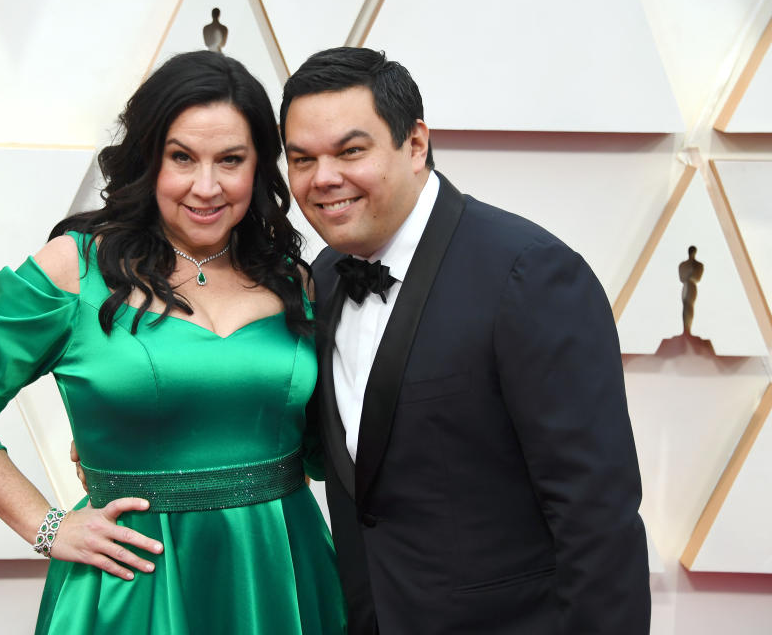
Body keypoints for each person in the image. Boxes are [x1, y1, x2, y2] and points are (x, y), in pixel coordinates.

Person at [0, 50, 346, 635]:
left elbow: (324, 444)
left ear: (260, 168)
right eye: (182, 158)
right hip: (134, 583)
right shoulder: (75, 267)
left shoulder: (295, 279)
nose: (207, 186)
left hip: (280, 573)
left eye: (231, 160)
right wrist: (47, 525)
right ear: (148, 159)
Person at [278, 47, 650, 634]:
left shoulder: (530, 275)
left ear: (416, 144)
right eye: (302, 159)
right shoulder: (319, 281)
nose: (324, 178)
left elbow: (597, 518)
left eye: (351, 151)